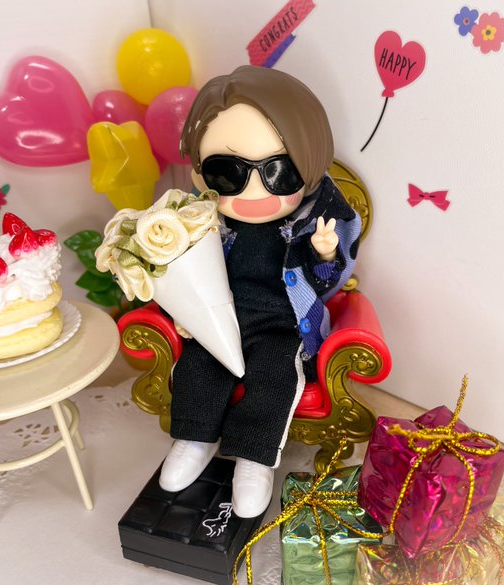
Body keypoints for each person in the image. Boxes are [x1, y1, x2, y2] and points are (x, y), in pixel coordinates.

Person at [159, 65, 362, 518]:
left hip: (281, 325)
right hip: (222, 314)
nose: (254, 190)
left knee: (274, 377)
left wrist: (324, 253)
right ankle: (193, 439)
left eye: (278, 172)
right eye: (228, 172)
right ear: (201, 174)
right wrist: (181, 308)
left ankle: (254, 459)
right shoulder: (202, 220)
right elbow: (181, 270)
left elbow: (326, 284)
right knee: (199, 364)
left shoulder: (314, 220)